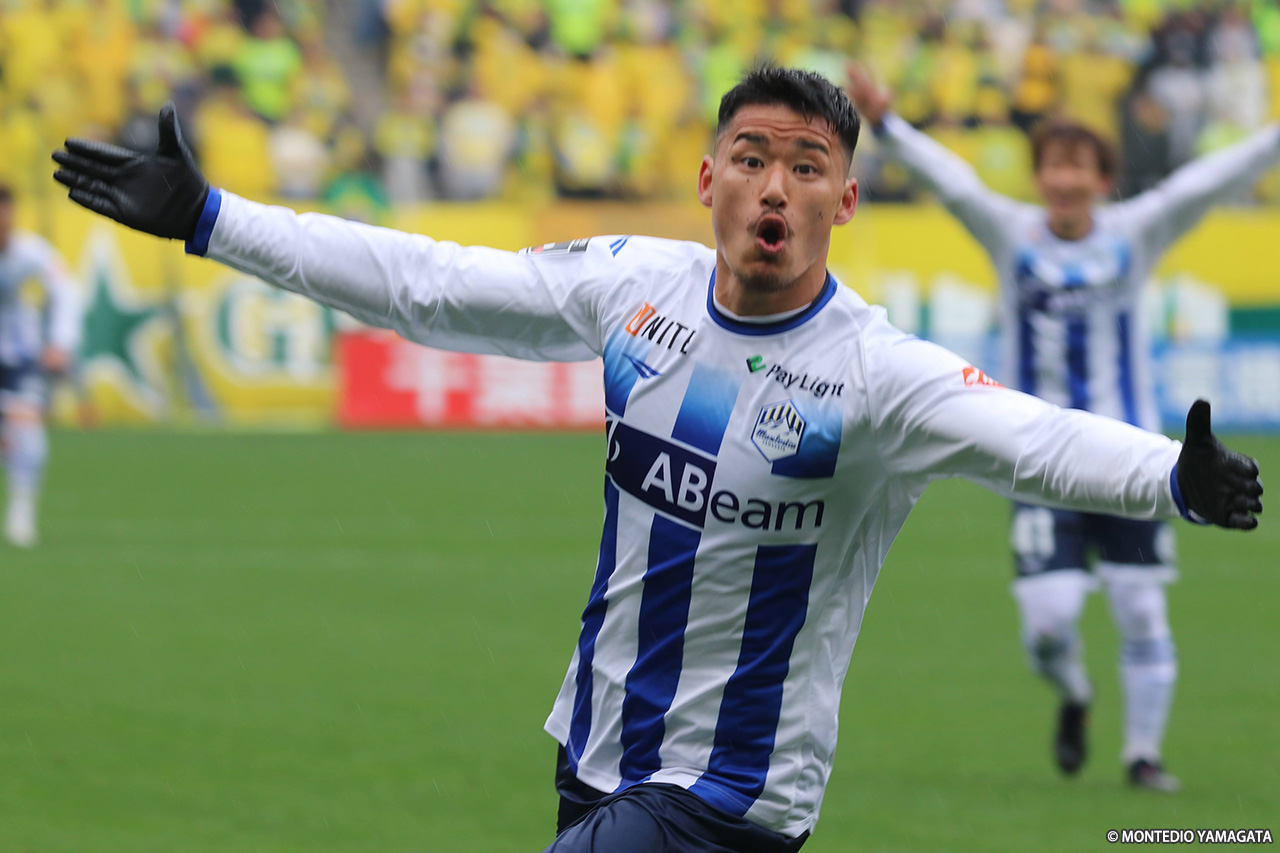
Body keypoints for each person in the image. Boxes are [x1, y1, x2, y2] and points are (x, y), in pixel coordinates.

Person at [52, 69, 1262, 851]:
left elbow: (1031, 437)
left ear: (844, 201)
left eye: (805, 166)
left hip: (729, 788)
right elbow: (428, 282)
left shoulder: (872, 373)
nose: (774, 186)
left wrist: (1172, 477)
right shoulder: (635, 291)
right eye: (751, 156)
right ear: (705, 179)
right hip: (595, 742)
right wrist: (214, 219)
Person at [847, 62, 1280, 792]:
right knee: (1046, 626)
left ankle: (1143, 756)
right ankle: (1075, 692)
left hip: (1131, 459)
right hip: (1039, 461)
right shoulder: (1012, 234)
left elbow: (1203, 184)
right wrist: (887, 126)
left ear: (1103, 178)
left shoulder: (1133, 234)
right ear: (1040, 175)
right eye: (1054, 164)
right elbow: (953, 185)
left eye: (1080, 165)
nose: (1066, 178)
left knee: (1141, 607)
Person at [0, 184, 81, 548]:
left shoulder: (30, 253)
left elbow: (66, 290)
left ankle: (22, 511)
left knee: (28, 434)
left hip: (20, 359)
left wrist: (60, 343)